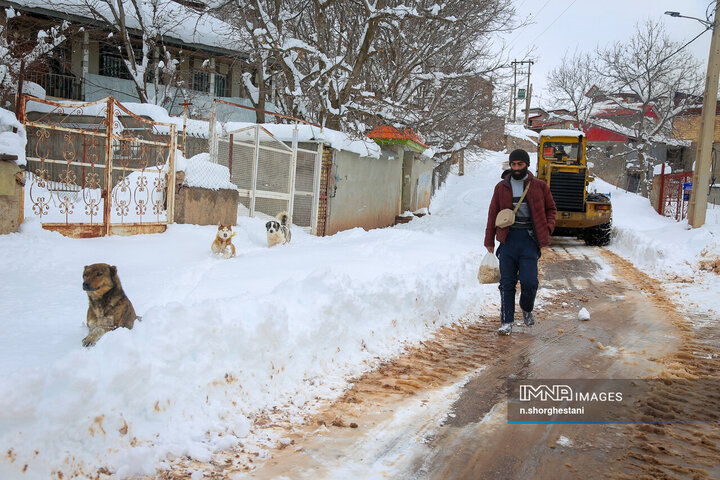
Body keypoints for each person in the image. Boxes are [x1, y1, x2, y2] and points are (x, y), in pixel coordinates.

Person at [484, 149, 557, 335]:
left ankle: (526, 308)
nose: (516, 168)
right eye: (513, 164)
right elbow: (493, 213)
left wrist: (547, 228)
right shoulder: (501, 187)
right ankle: (507, 321)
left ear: (526, 165)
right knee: (507, 283)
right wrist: (489, 239)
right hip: (508, 240)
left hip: (529, 240)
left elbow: (551, 209)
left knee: (529, 282)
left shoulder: (539, 186)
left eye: (520, 164)